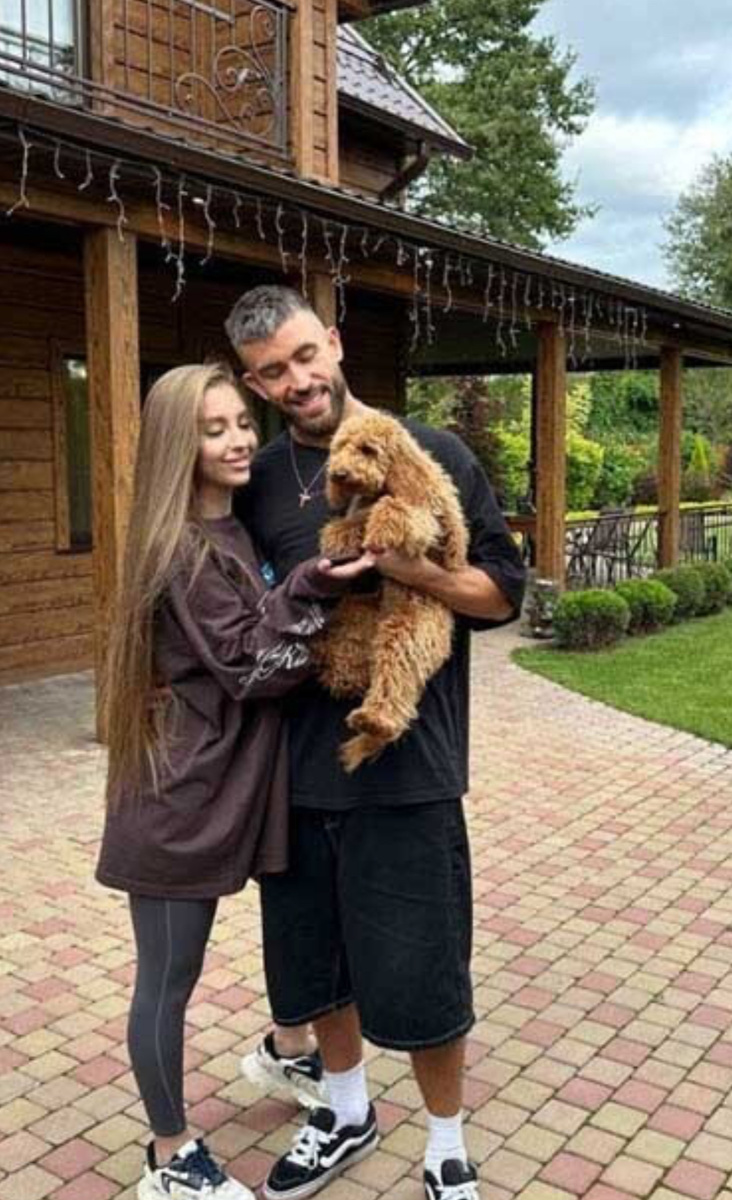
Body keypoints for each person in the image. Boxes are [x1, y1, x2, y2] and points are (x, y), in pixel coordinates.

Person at [226, 286, 527, 1200]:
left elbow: (502, 594)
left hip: (409, 767)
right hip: (294, 769)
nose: (297, 380)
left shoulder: (431, 453)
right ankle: (346, 1112)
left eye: (304, 356)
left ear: (334, 343)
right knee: (316, 963)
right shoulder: (258, 480)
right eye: (272, 372)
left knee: (427, 967)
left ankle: (446, 1147)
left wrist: (409, 568)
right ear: (254, 383)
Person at [95, 362, 375, 1200]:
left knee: (292, 924)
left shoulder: (234, 528)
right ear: (178, 444)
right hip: (180, 800)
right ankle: (168, 1154)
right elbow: (254, 668)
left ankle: (288, 1050)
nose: (239, 439)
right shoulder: (179, 548)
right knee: (167, 981)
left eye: (241, 422)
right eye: (213, 429)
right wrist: (314, 583)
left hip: (239, 784)